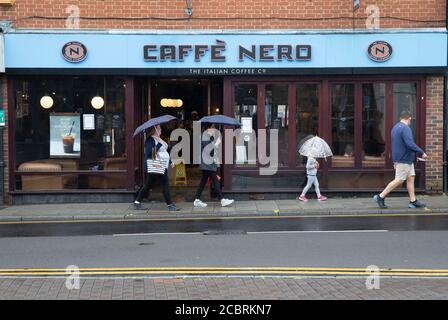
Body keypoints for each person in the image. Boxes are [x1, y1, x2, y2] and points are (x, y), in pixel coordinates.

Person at [374, 110, 428, 209]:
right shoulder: (406, 128)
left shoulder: (395, 128)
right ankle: (380, 196)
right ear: (409, 118)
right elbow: (409, 144)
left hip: (402, 158)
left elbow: (396, 144)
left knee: (411, 178)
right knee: (399, 180)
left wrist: (394, 159)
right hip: (404, 159)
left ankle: (413, 201)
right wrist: (421, 152)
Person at [134, 125, 180, 211]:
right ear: (154, 129)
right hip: (156, 165)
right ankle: (170, 204)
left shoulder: (159, 139)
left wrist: (170, 162)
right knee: (165, 184)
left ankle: (137, 202)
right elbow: (149, 154)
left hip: (162, 165)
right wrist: (158, 145)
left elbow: (164, 152)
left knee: (148, 185)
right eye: (159, 128)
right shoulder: (150, 140)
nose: (161, 129)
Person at [193, 123, 234, 208]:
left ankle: (197, 199)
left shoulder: (207, 137)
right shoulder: (205, 137)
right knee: (215, 181)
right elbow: (209, 151)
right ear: (208, 128)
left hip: (207, 163)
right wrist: (216, 144)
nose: (214, 129)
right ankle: (222, 200)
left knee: (203, 182)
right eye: (212, 128)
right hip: (207, 163)